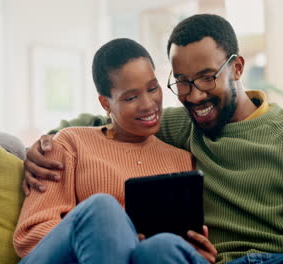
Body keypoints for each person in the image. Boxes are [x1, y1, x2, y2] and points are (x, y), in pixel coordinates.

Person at [23, 14, 283, 264]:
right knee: (156, 251)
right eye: (183, 82)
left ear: (237, 67)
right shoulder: (182, 126)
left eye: (207, 77)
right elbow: (116, 121)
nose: (194, 95)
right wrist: (46, 143)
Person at [13, 38, 217, 264]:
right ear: (105, 104)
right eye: (131, 97)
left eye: (153, 88)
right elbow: (30, 237)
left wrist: (196, 254)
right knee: (103, 208)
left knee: (162, 247)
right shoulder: (69, 144)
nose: (149, 104)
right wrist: (109, 236)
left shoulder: (180, 159)